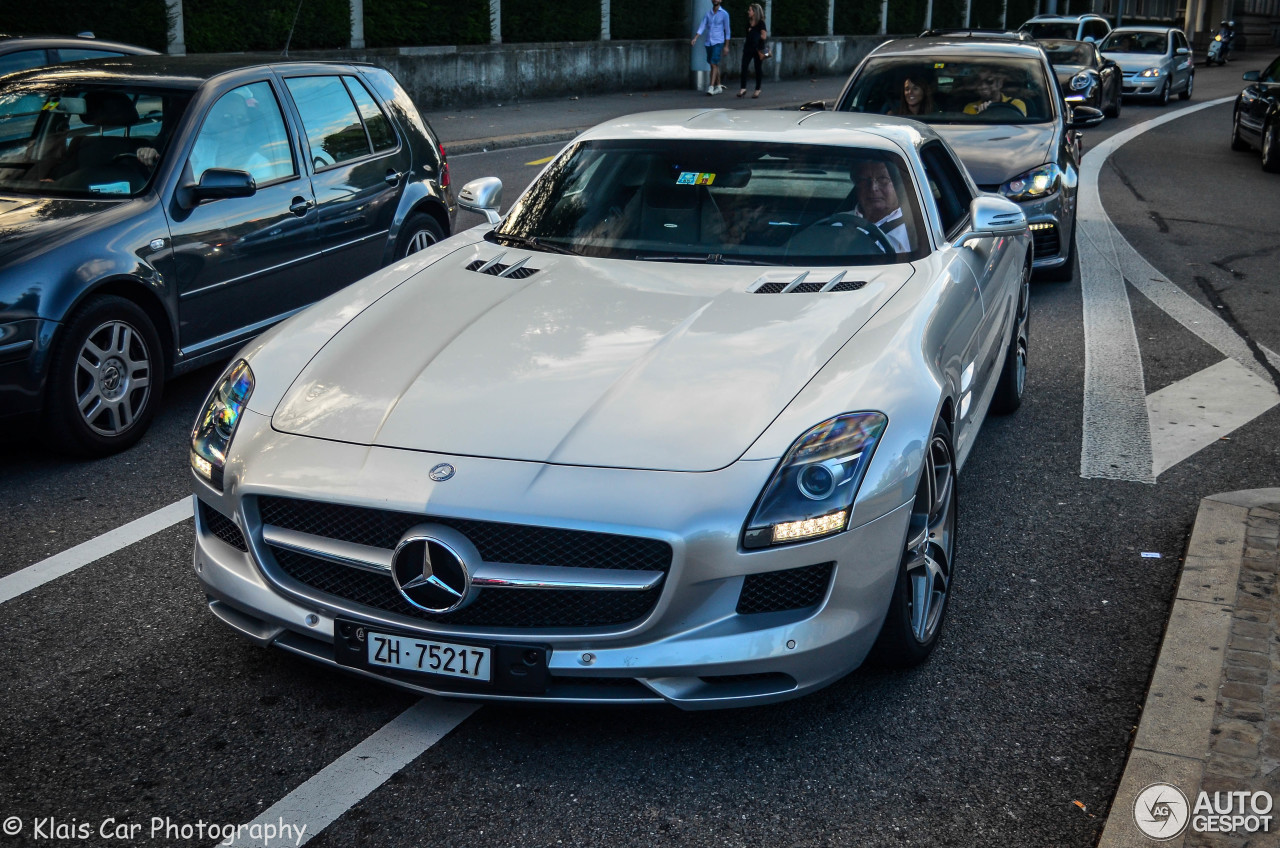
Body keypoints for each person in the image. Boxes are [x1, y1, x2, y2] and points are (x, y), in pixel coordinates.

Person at [850, 160, 909, 253]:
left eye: (883, 179)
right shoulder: (836, 225)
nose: (873, 188)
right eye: (864, 180)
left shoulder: (916, 230)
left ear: (898, 184)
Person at [692, 0, 731, 95]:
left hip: (718, 41)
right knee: (713, 64)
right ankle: (718, 85)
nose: (715, 0)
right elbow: (702, 25)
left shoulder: (724, 14)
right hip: (709, 42)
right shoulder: (708, 13)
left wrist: (726, 46)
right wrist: (695, 38)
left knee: (713, 63)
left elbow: (727, 30)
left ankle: (711, 87)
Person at [963, 68, 1027, 116]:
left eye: (989, 81)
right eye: (979, 82)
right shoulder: (970, 108)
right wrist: (979, 116)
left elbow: (1018, 128)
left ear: (1000, 83)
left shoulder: (1016, 105)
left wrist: (987, 114)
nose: (983, 86)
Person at [737, 4, 768, 99]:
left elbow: (764, 36)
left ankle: (757, 89)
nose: (748, 12)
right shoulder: (748, 23)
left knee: (758, 68)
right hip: (748, 47)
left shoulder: (761, 23)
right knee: (744, 66)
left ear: (754, 12)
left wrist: (754, 32)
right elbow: (748, 36)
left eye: (750, 10)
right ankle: (743, 88)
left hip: (759, 48)